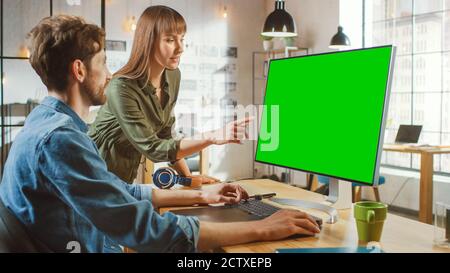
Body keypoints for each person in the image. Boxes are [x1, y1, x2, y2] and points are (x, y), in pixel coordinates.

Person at [0, 15, 320, 253]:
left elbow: (118, 191)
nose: (110, 73)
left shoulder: (46, 122)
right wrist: (263, 230)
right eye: (103, 62)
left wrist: (199, 193)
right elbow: (144, 227)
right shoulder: (61, 141)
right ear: (79, 70)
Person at [88, 5, 250, 185]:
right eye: (170, 40)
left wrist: (188, 178)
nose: (180, 48)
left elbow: (165, 136)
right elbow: (153, 149)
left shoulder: (172, 75)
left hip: (122, 180)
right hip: (92, 176)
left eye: (182, 39)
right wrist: (212, 136)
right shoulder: (121, 87)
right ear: (148, 41)